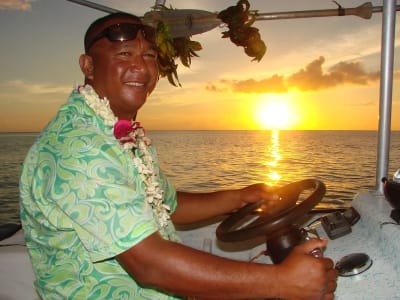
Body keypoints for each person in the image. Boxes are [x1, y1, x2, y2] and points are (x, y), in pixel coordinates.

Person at [20, 12, 337, 300]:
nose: (141, 67)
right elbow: (149, 265)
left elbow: (167, 204)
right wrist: (280, 282)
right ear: (88, 66)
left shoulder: (118, 131)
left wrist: (241, 197)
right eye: (124, 54)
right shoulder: (80, 147)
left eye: (148, 55)